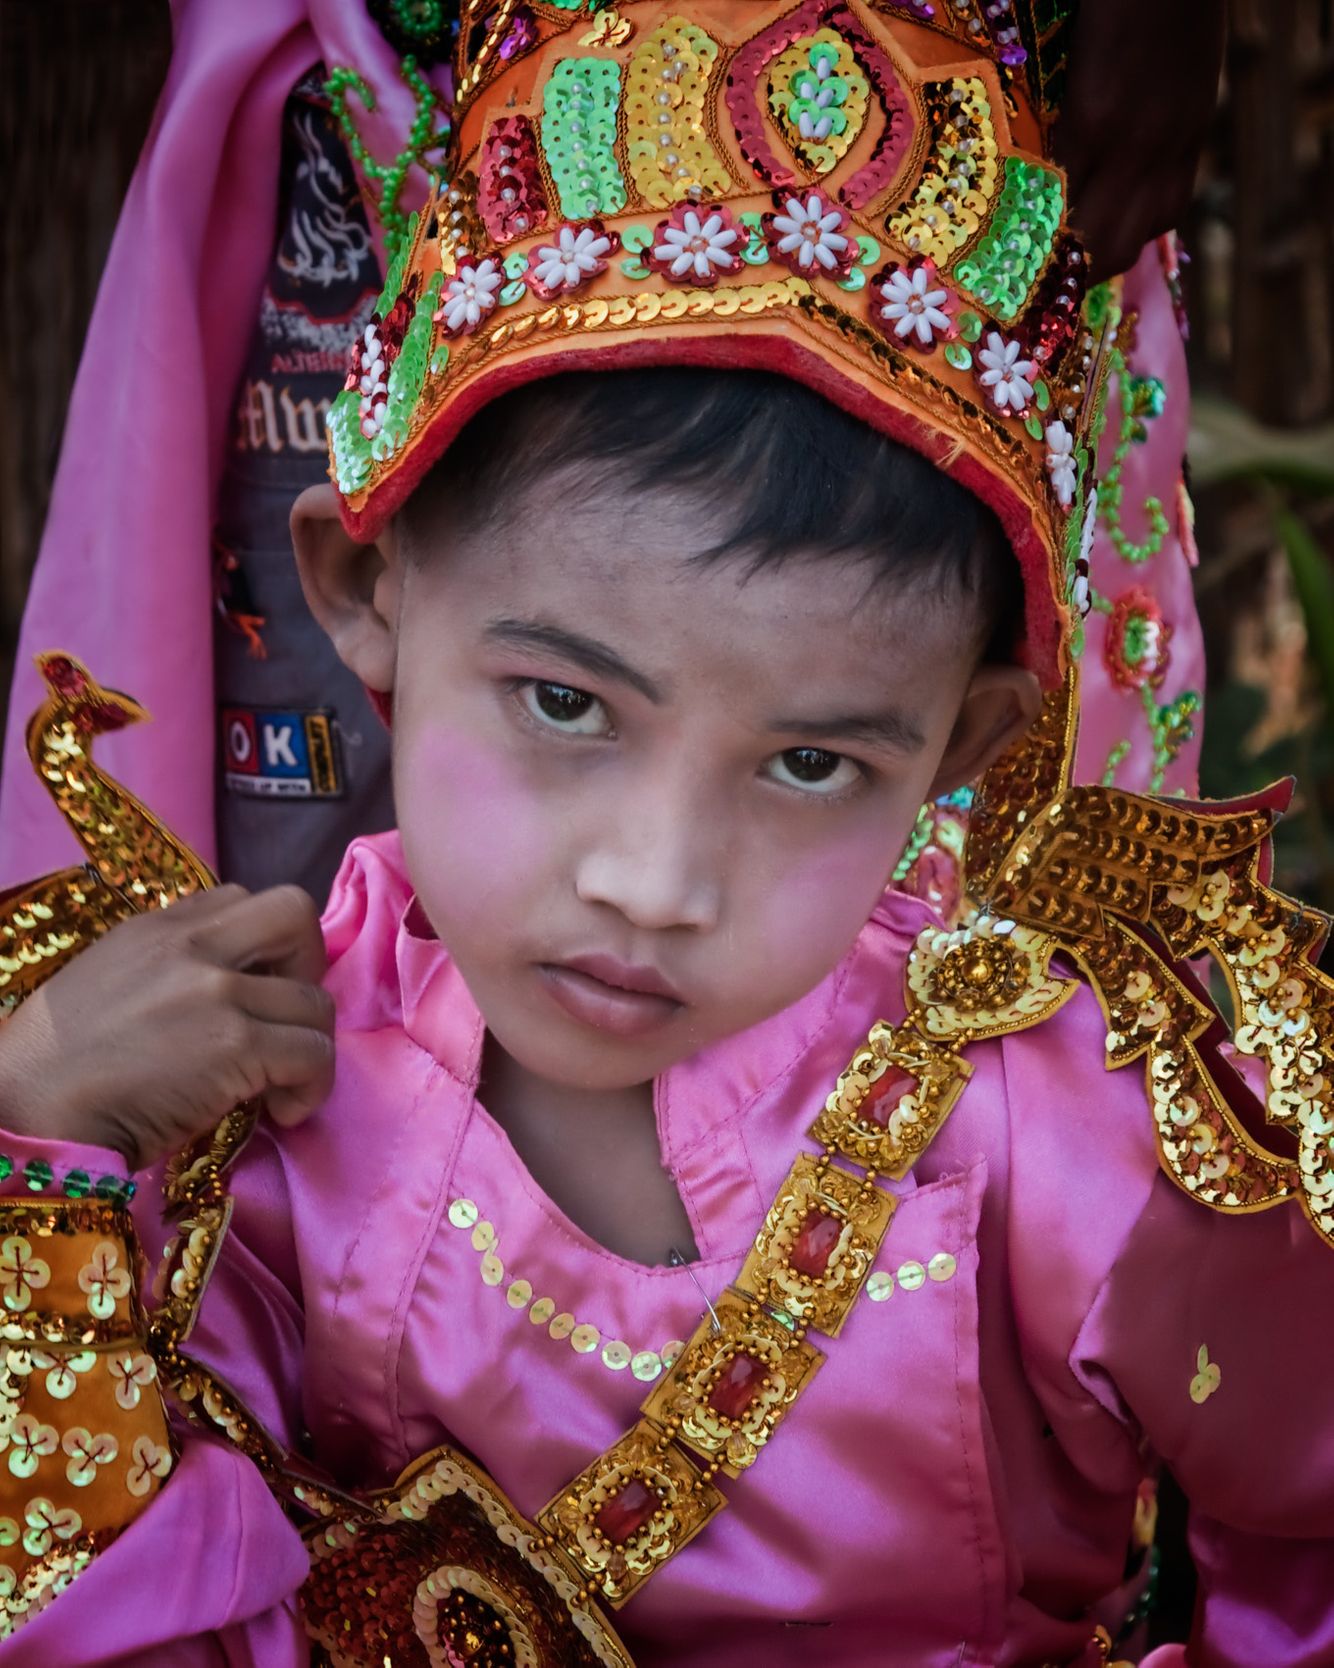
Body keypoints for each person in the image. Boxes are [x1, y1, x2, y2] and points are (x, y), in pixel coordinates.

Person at [0, 6, 1330, 1668]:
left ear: (962, 749)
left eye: (810, 765)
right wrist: (39, 1148)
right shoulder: (241, 1103)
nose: (654, 880)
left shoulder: (1085, 1128)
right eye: (565, 706)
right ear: (364, 592)